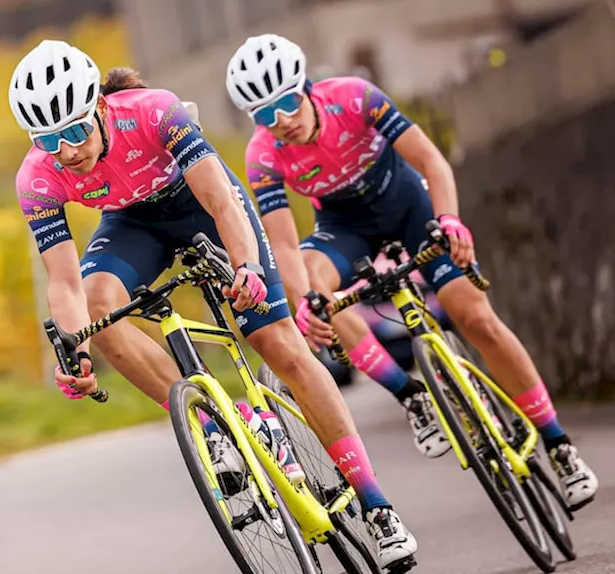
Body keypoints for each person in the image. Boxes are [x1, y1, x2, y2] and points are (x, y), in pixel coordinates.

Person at [10, 38, 418, 570]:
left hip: (202, 205)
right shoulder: (37, 177)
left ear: (100, 107)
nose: (67, 151)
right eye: (49, 139)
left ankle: (376, 505)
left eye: (74, 131)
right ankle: (216, 430)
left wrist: (246, 266)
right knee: (96, 312)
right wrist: (76, 348)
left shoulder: (155, 111)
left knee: (278, 344)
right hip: (132, 224)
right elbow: (63, 282)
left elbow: (221, 200)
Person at [226, 34, 598, 510]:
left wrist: (449, 220)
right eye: (264, 115)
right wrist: (304, 301)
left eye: (287, 103)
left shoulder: (355, 98)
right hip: (346, 227)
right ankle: (412, 396)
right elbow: (281, 244)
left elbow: (431, 161)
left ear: (306, 87)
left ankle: (557, 443)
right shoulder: (263, 156)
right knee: (315, 292)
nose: (283, 121)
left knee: (475, 315)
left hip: (410, 207)